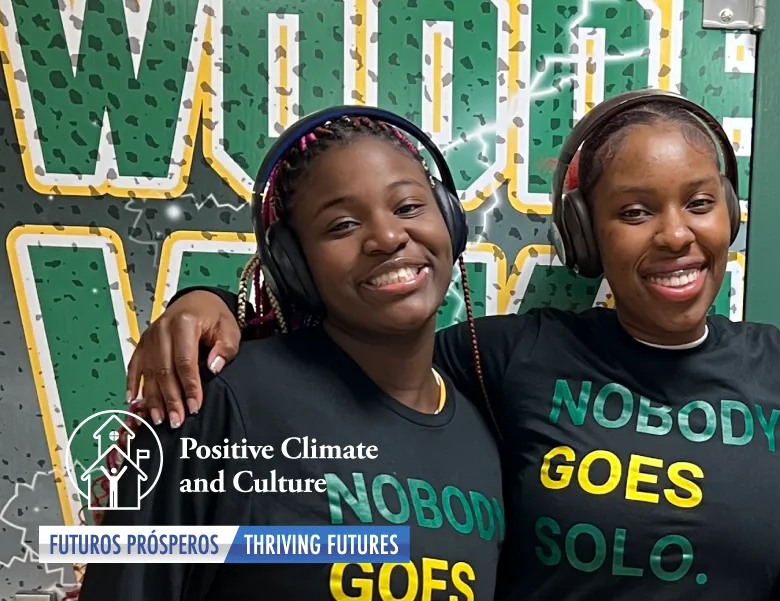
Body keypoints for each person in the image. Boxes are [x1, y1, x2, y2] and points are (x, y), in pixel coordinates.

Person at [120, 91, 780, 601]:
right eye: (634, 210)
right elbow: (361, 342)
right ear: (589, 235)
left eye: (697, 203)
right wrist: (218, 302)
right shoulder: (502, 360)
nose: (674, 233)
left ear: (731, 215)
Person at [79, 108, 505, 601]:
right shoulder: (221, 402)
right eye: (342, 224)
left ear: (450, 220)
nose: (388, 238)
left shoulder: (482, 430)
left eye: (408, 207)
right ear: (293, 263)